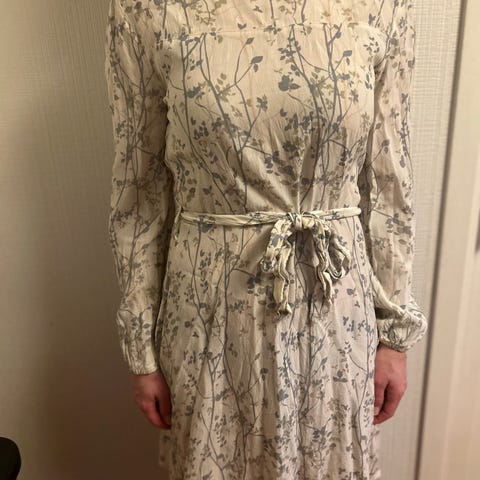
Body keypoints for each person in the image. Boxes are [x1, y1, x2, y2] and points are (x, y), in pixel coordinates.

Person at [104, 0, 428, 478]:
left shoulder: (384, 6)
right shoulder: (143, 9)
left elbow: (389, 186)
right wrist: (141, 348)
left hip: (336, 316)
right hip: (209, 318)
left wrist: (394, 337)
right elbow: (140, 191)